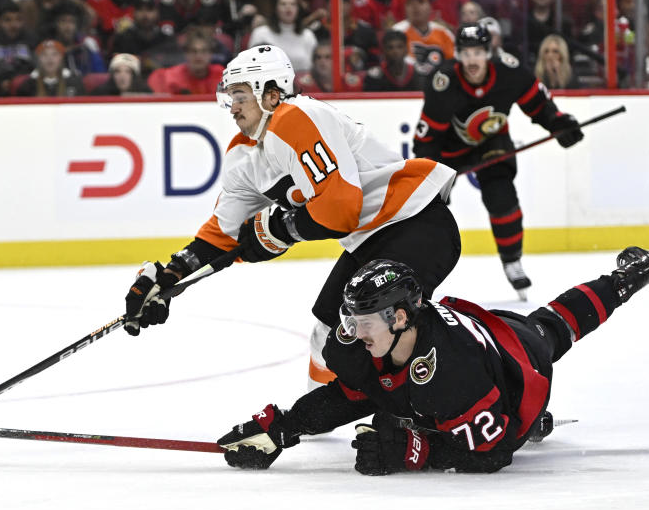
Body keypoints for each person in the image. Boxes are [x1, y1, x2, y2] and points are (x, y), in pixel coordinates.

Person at [124, 44, 460, 389]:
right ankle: (318, 415)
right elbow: (222, 236)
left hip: (416, 223)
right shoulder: (245, 156)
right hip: (371, 241)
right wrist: (171, 276)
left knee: (380, 325)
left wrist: (281, 229)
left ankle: (445, 407)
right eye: (229, 95)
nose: (232, 106)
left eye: (240, 94)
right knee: (329, 330)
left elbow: (341, 210)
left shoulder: (297, 116)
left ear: (271, 95)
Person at [217, 247, 649, 474]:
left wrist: (413, 454)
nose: (353, 333)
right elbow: (354, 394)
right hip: (481, 339)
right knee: (547, 323)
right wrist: (285, 426)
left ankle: (626, 278)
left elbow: (495, 452)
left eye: (363, 322)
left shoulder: (449, 374)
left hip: (517, 371)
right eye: (351, 320)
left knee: (551, 330)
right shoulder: (382, 339)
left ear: (399, 317)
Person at [412, 22, 584, 298]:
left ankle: (512, 260)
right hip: (447, 150)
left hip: (491, 141)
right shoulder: (442, 82)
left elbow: (539, 105)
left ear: (488, 52)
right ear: (457, 54)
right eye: (465, 53)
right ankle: (417, 269)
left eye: (477, 52)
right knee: (430, 211)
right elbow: (428, 138)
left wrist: (559, 124)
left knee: (501, 196)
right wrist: (429, 174)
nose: (471, 60)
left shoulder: (510, 72)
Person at [392, 0, 455, 78]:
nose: (415, 7)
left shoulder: (444, 33)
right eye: (410, 4)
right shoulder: (397, 31)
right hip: (408, 82)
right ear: (405, 9)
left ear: (430, 7)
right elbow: (395, 63)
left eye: (420, 2)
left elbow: (453, 62)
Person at [248, 0, 318, 71]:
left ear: (298, 9)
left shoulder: (308, 35)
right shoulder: (260, 33)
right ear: (276, 8)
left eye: (293, 4)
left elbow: (314, 66)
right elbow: (252, 65)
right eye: (283, 4)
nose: (288, 7)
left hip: (301, 81)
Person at [0, 0, 36, 96]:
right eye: (7, 20)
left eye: (18, 19)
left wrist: (17, 80)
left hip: (25, 96)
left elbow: (38, 68)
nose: (14, 25)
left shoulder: (30, 41)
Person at [146, 28, 225, 94]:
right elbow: (155, 79)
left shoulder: (221, 75)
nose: (198, 56)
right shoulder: (172, 76)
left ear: (211, 54)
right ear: (186, 54)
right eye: (193, 51)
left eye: (204, 51)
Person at [10, 39, 85, 96]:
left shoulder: (74, 82)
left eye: (54, 54)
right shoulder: (28, 86)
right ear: (39, 59)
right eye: (44, 54)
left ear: (61, 58)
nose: (49, 58)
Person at [295, 43, 363, 93]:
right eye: (318, 57)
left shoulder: (350, 83)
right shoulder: (304, 85)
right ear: (314, 61)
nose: (322, 61)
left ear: (337, 60)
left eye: (328, 57)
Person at [88, 52, 152, 95]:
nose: (122, 76)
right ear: (112, 75)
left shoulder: (146, 93)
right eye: (117, 71)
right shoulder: (100, 94)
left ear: (134, 76)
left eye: (128, 72)